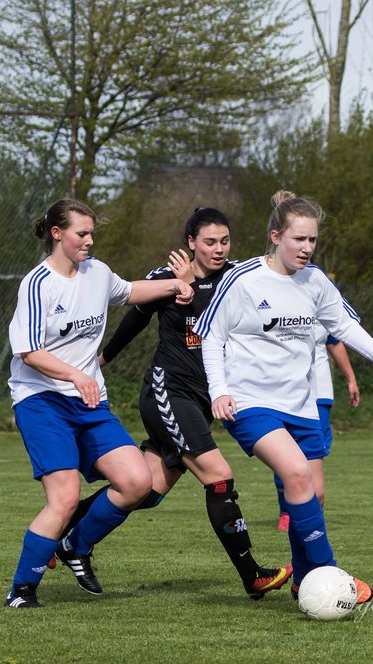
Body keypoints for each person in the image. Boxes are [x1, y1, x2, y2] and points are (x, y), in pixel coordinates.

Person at [60, 207, 292, 600]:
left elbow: (237, 318)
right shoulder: (166, 277)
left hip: (202, 401)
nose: (218, 250)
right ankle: (252, 575)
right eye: (209, 242)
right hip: (168, 392)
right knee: (218, 477)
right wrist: (103, 359)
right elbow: (135, 319)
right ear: (190, 243)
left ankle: (68, 534)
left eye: (224, 241)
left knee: (146, 490)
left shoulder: (237, 278)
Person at [196, 191, 373, 604]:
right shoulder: (241, 279)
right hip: (249, 403)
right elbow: (210, 337)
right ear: (276, 236)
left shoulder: (316, 281)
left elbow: (345, 326)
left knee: (313, 492)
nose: (307, 248)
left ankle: (304, 580)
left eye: (312, 240)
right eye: (299, 240)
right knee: (295, 474)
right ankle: (331, 572)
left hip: (301, 404)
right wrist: (219, 392)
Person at [4, 198, 194, 609]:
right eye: (82, 233)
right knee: (65, 497)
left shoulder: (97, 273)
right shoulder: (38, 285)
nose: (89, 240)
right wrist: (76, 374)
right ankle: (21, 591)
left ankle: (75, 545)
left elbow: (129, 292)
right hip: (42, 402)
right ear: (57, 234)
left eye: (92, 233)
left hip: (89, 403)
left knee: (137, 482)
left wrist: (178, 284)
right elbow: (30, 352)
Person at [276, 326, 359, 531]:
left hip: (319, 391)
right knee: (283, 452)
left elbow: (335, 341)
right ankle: (286, 511)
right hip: (284, 392)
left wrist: (351, 379)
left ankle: (312, 515)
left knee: (314, 453)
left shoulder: (324, 301)